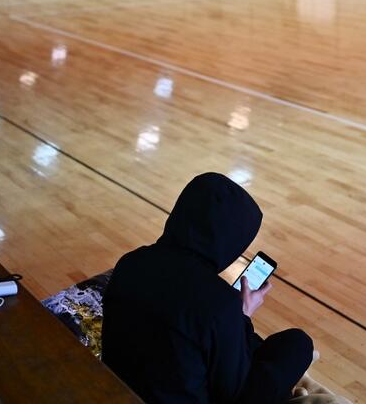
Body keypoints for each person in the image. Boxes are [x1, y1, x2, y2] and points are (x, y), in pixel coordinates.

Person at [102, 172, 314, 403]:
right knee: (298, 344)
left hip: (120, 386)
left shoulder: (131, 262)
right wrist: (242, 316)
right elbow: (234, 393)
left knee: (246, 342)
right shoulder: (220, 303)